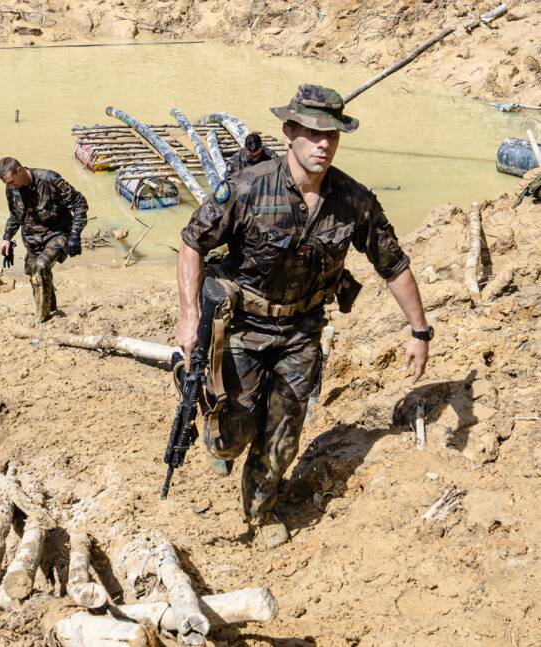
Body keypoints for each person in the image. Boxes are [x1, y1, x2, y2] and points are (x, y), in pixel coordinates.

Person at [175, 84, 432, 549]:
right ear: (289, 131)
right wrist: (189, 316)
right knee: (233, 434)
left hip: (301, 331)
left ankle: (260, 510)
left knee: (282, 436)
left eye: (332, 135)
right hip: (241, 328)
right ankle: (216, 425)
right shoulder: (247, 187)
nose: (323, 144)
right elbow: (193, 242)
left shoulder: (353, 200)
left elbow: (392, 263)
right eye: (313, 133)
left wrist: (420, 330)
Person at [0, 157, 88, 322]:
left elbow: (79, 203)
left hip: (58, 233)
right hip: (32, 239)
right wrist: (7, 239)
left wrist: (75, 234)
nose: (10, 186)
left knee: (41, 266)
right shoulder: (11, 189)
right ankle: (51, 309)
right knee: (35, 275)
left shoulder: (49, 180)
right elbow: (15, 215)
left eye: (11, 182)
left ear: (20, 170)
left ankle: (42, 319)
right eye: (7, 184)